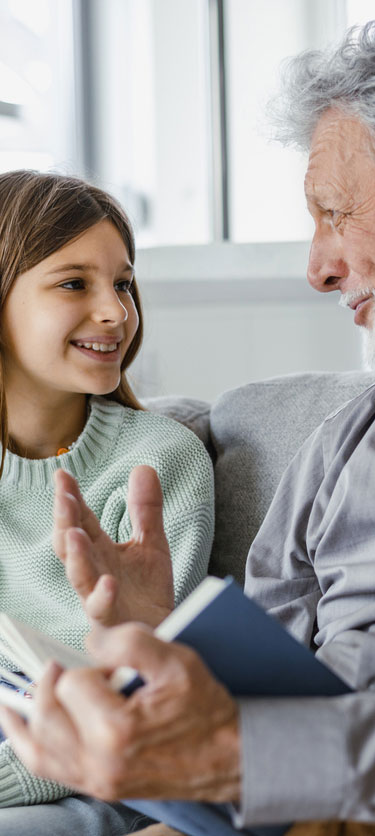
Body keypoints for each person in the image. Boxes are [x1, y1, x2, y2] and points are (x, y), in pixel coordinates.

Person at [5, 19, 375, 835]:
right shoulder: (344, 442)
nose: (316, 268)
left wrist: (253, 756)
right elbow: (255, 689)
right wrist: (148, 638)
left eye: (335, 213)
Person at [0, 171, 214, 831]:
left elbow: (134, 693)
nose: (116, 312)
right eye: (74, 283)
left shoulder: (159, 461)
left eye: (122, 283)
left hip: (87, 783)